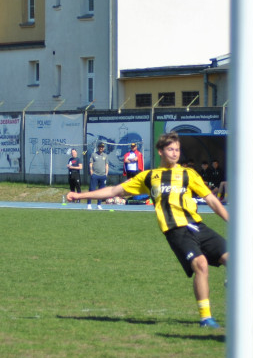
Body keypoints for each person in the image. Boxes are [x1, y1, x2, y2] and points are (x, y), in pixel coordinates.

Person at [67, 132, 229, 328]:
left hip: (197, 225)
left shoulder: (189, 174)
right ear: (160, 151)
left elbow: (211, 200)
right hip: (175, 229)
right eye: (170, 149)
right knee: (201, 265)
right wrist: (80, 196)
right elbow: (114, 191)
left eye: (177, 150)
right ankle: (206, 318)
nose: (175, 153)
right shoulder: (150, 177)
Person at [88, 142, 109, 209]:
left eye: (102, 147)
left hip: (102, 175)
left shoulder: (105, 155)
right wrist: (91, 171)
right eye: (100, 147)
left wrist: (106, 174)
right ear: (98, 147)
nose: (101, 148)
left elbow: (106, 165)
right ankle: (89, 204)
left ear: (104, 148)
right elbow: (91, 163)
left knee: (101, 191)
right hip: (95, 175)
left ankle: (99, 204)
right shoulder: (93, 154)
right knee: (92, 189)